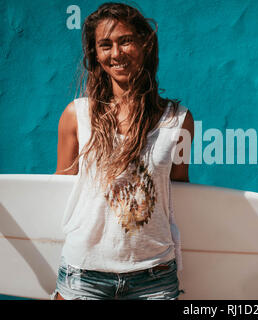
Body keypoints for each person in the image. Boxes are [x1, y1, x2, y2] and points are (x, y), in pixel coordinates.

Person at [53, 2, 194, 300]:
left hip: (154, 276)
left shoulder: (178, 121)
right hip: (84, 274)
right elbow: (59, 192)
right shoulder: (76, 116)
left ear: (145, 44)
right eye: (105, 45)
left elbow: (179, 193)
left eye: (125, 41)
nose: (115, 53)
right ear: (96, 54)